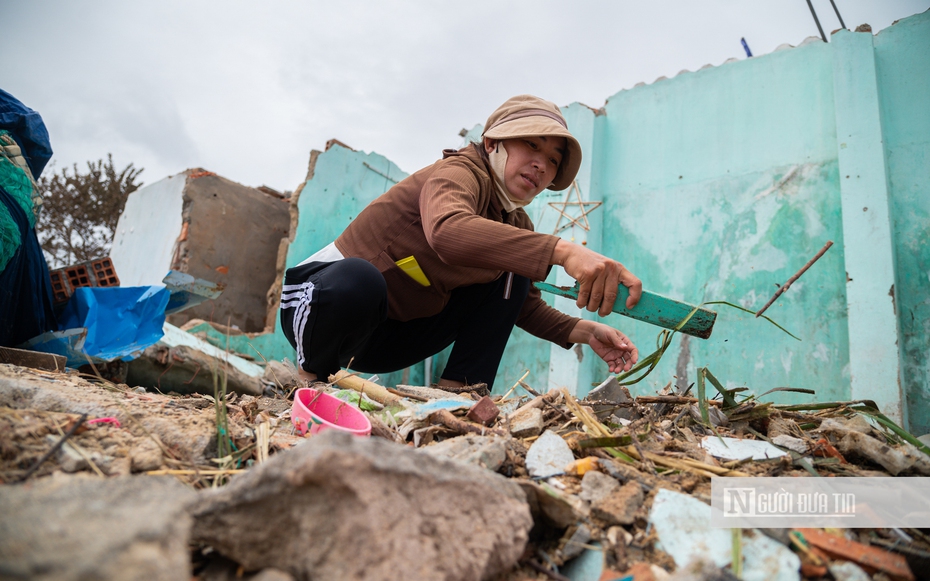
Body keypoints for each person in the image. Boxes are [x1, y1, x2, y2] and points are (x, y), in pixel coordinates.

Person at [280, 95, 642, 391]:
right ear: (492, 143)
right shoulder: (457, 172)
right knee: (359, 278)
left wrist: (586, 331)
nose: (541, 165)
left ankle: (458, 398)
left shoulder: (517, 222)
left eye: (552, 160)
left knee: (513, 272)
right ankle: (310, 382)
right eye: (531, 145)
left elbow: (521, 308)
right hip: (318, 313)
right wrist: (562, 250)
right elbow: (447, 231)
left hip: (389, 340)